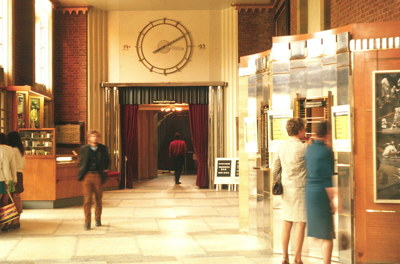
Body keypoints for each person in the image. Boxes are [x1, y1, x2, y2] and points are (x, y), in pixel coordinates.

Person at [271, 118, 307, 264]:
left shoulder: (281, 146)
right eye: (304, 129)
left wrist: (277, 181)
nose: (305, 131)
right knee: (301, 223)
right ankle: (297, 257)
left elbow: (275, 168)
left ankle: (284, 256)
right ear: (299, 130)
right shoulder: (305, 148)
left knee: (286, 222)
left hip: (286, 189)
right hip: (301, 189)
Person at [305, 121, 335, 264]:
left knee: (320, 231)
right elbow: (327, 178)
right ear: (327, 133)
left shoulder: (309, 149)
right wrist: (334, 200)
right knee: (327, 234)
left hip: (310, 191)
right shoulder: (327, 151)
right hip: (322, 193)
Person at [78, 130, 110, 230]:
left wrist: (105, 169)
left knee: (98, 199)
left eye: (96, 136)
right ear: (89, 138)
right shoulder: (84, 149)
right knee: (87, 200)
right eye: (92, 136)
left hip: (98, 176)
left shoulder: (103, 148)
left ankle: (97, 219)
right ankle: (87, 222)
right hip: (87, 176)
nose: (95, 138)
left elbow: (108, 160)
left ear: (99, 138)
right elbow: (80, 161)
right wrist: (81, 173)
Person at [6, 131, 25, 230]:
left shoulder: (12, 150)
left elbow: (10, 165)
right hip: (20, 174)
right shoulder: (20, 150)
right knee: (17, 197)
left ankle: (14, 220)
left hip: (14, 175)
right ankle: (16, 220)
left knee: (13, 198)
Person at [0, 133, 17, 232]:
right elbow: (11, 166)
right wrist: (13, 180)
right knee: (6, 202)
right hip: (7, 179)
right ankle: (7, 222)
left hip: (4, 179)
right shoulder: (9, 149)